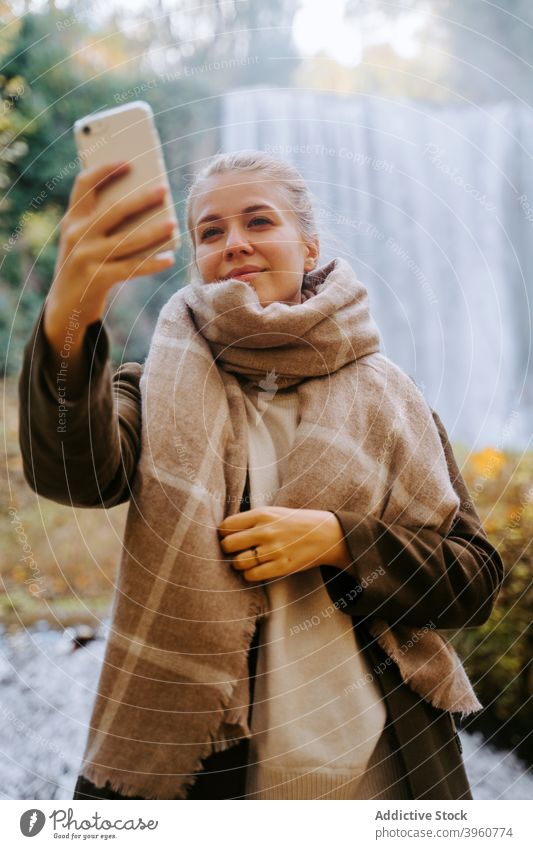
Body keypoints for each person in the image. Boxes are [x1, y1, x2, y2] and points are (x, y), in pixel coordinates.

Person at [18, 150, 503, 801]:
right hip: (213, 779)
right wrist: (71, 308)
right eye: (211, 232)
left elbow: (472, 580)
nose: (235, 243)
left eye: (258, 221)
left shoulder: (391, 395)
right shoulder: (157, 386)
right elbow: (74, 474)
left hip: (382, 775)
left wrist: (338, 540)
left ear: (308, 246)